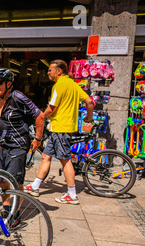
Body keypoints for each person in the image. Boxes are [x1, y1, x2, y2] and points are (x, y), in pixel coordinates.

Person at [24, 59, 94, 205]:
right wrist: (89, 117)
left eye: (50, 70)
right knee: (46, 156)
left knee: (65, 160)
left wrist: (41, 116)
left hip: (60, 128)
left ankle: (72, 194)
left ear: (59, 71)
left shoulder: (59, 85)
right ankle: (35, 186)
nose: (48, 72)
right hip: (62, 128)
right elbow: (89, 102)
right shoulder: (74, 85)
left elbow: (52, 108)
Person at [0, 68, 45, 197]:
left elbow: (40, 116)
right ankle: (7, 210)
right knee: (1, 179)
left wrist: (38, 139)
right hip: (1, 144)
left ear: (8, 84)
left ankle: (16, 213)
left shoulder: (18, 97)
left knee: (15, 181)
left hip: (17, 145)